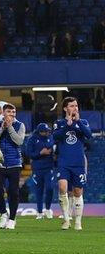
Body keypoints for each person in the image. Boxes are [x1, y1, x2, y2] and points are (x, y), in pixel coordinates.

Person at [52, 97, 92, 230]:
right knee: (62, 188)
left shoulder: (83, 122)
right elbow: (55, 137)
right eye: (72, 105)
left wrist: (77, 121)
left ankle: (78, 222)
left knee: (77, 192)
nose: (75, 108)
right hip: (64, 162)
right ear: (65, 108)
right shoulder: (59, 123)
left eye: (76, 105)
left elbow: (89, 135)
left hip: (78, 163)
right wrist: (67, 125)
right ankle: (66, 219)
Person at [0, 103, 25, 230]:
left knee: (13, 192)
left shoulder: (20, 125)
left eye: (14, 112)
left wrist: (9, 127)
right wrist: (2, 129)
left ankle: (12, 219)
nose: (12, 114)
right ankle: (4, 214)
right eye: (9, 112)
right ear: (3, 113)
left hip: (14, 163)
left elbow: (19, 141)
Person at [26, 123, 55, 220]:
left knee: (50, 188)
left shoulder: (50, 136)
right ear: (40, 132)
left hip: (48, 167)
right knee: (39, 190)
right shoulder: (32, 139)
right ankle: (39, 212)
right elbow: (29, 153)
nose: (47, 133)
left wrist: (45, 148)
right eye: (45, 131)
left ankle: (47, 209)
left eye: (48, 131)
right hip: (37, 168)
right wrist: (40, 153)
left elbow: (51, 144)